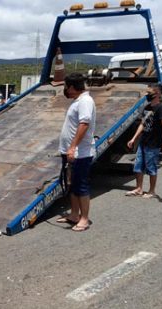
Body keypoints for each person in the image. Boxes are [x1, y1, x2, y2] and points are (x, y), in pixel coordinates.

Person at [56, 72, 96, 232]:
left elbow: (84, 124)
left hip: (81, 153)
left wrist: (73, 147)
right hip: (70, 152)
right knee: (72, 186)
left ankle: (84, 219)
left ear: (72, 87)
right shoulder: (78, 101)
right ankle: (74, 214)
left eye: (66, 86)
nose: (65, 89)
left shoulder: (85, 101)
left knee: (81, 186)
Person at [126, 84, 162, 199]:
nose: (147, 94)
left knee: (151, 167)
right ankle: (139, 188)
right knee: (138, 166)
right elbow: (142, 124)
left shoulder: (161, 108)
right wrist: (133, 138)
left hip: (154, 143)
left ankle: (152, 191)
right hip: (143, 141)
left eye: (150, 92)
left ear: (157, 93)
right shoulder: (147, 108)